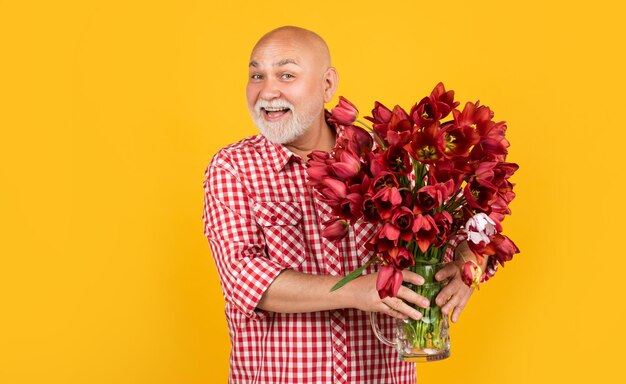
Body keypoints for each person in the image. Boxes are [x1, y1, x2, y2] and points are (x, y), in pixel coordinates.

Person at [203, 26, 483, 384]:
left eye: (286, 75)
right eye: (257, 75)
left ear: (327, 85)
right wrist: (357, 289)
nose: (267, 91)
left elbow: (462, 229)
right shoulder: (234, 167)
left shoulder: (388, 158)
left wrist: (466, 269)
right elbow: (244, 279)